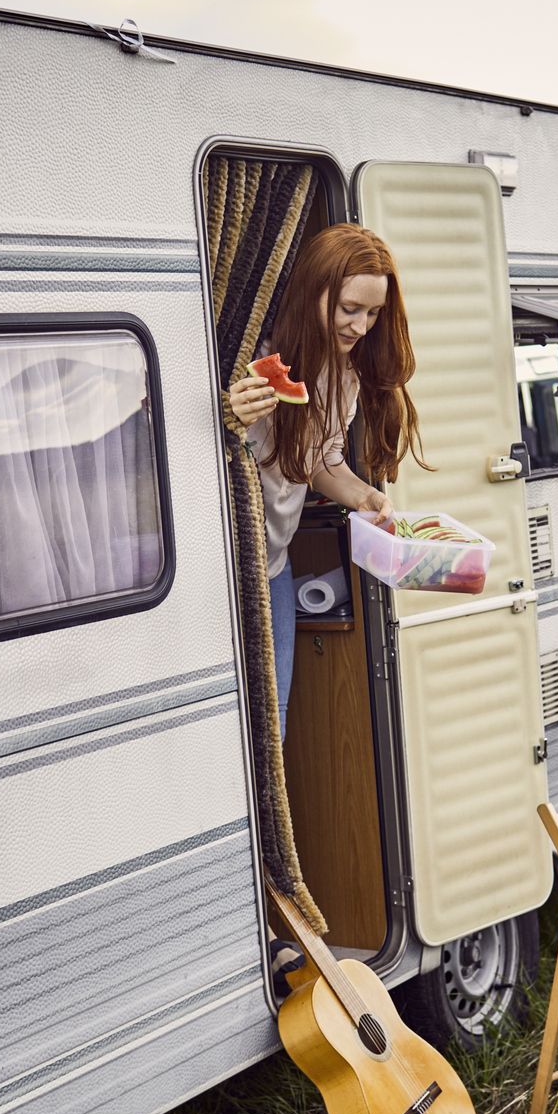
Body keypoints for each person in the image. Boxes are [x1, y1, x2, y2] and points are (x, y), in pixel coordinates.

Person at [226, 223, 424, 732]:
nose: (361, 327)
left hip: (275, 565)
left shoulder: (345, 376)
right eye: (349, 309)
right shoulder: (251, 359)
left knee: (277, 725)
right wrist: (230, 416)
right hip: (231, 570)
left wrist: (364, 496)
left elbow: (323, 459)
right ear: (314, 291)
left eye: (373, 313)